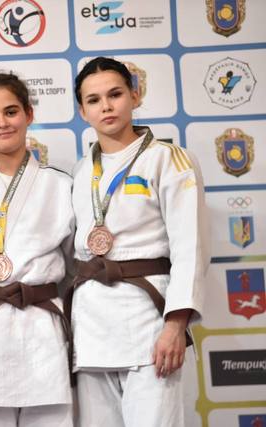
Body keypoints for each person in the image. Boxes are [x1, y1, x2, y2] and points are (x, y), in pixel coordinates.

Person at [68, 56, 209, 427]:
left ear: (134, 95)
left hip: (150, 325)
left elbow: (191, 248)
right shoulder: (82, 171)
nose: (106, 106)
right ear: (82, 111)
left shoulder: (169, 159)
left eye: (115, 94)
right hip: (93, 330)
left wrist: (175, 326)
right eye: (94, 100)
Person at [0, 72, 74, 426]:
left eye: (11, 112)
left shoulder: (60, 184)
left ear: (28, 114)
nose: (2, 123)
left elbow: (74, 265)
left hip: (42, 327)